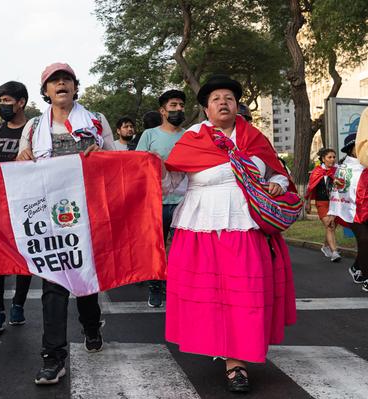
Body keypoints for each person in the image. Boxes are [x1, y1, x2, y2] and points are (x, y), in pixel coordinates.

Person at [164, 75, 296, 392]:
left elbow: (276, 168)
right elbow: (169, 178)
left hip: (246, 225)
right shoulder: (193, 139)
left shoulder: (253, 137)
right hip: (201, 227)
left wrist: (277, 180)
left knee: (244, 295)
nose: (224, 102)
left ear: (237, 106)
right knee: (209, 295)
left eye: (229, 98)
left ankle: (237, 363)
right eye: (216, 99)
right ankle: (223, 350)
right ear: (206, 109)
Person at [16, 62, 115, 385]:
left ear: (75, 87)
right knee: (53, 284)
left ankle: (90, 324)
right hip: (48, 218)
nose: (61, 85)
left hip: (86, 213)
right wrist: (23, 159)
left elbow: (116, 165)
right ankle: (53, 357)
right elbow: (22, 167)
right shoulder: (32, 128)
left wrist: (101, 155)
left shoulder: (98, 122)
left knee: (84, 278)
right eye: (53, 81)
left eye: (67, 80)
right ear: (45, 92)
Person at [0, 81, 33, 334]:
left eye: (7, 101)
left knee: (24, 254)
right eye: (0, 100)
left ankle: (18, 306)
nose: (3, 105)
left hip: (26, 201)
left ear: (21, 102)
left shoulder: (34, 130)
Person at [136, 89, 187, 308]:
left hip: (184, 203)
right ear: (163, 111)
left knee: (179, 250)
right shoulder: (149, 135)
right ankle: (155, 287)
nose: (178, 109)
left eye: (181, 106)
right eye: (173, 105)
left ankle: (174, 286)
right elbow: (136, 164)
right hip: (155, 203)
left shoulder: (190, 136)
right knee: (155, 248)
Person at [326, 133, 368, 291]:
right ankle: (366, 277)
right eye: (360, 146)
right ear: (351, 149)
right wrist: (332, 212)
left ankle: (356, 267)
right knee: (364, 240)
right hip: (354, 212)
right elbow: (337, 192)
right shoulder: (344, 169)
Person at [305, 148, 341, 261]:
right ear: (323, 159)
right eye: (329, 157)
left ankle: (326, 247)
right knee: (329, 225)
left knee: (333, 226)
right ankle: (335, 252)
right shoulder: (316, 172)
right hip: (322, 203)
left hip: (335, 203)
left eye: (334, 157)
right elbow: (310, 188)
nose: (332, 159)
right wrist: (308, 203)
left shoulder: (337, 171)